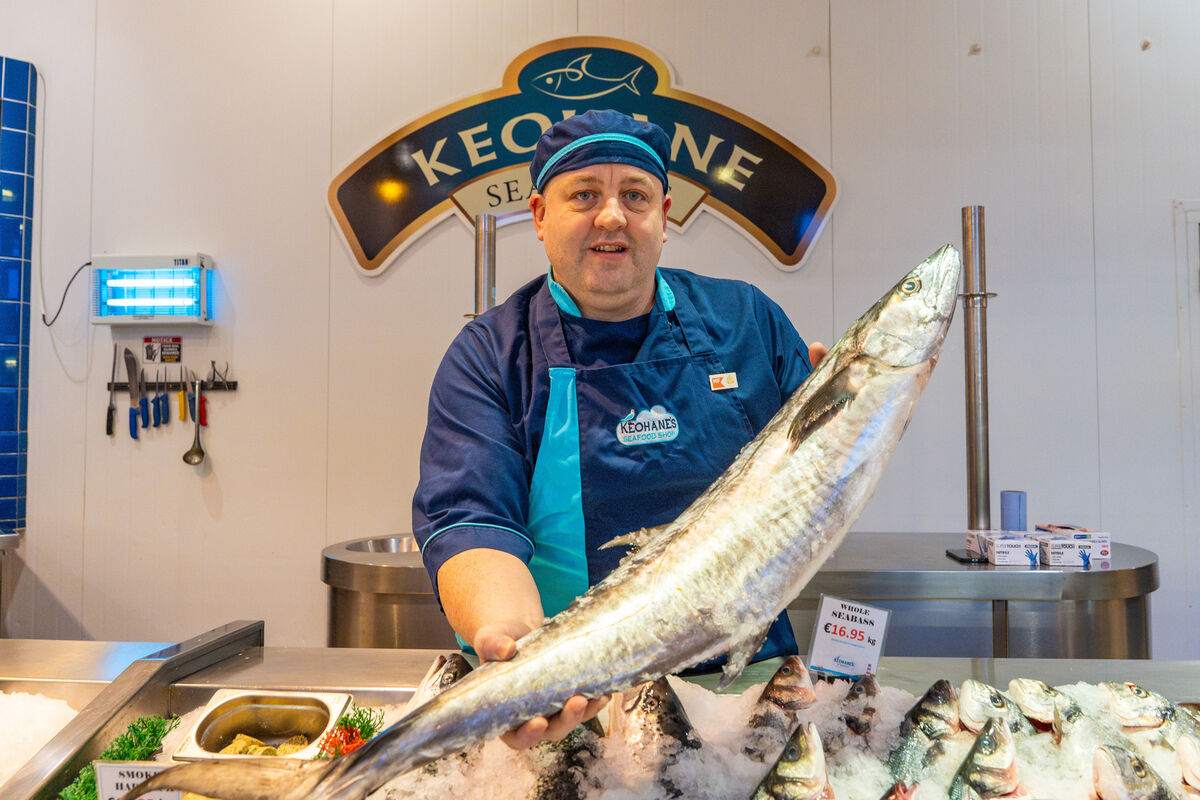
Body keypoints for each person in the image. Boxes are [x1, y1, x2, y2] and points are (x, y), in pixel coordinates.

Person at [412, 109, 825, 748]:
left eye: (634, 195)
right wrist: (517, 650)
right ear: (541, 216)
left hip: (745, 695)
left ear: (663, 214)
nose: (611, 216)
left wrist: (841, 423)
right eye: (584, 195)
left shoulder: (747, 322)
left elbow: (811, 493)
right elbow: (471, 521)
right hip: (577, 702)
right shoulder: (489, 354)